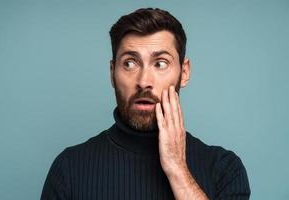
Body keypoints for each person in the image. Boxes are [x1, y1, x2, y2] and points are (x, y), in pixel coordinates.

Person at [41, 8, 250, 200]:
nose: (144, 82)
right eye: (130, 63)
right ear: (112, 73)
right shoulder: (68, 168)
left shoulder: (225, 169)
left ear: (184, 72)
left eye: (160, 64)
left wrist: (177, 169)